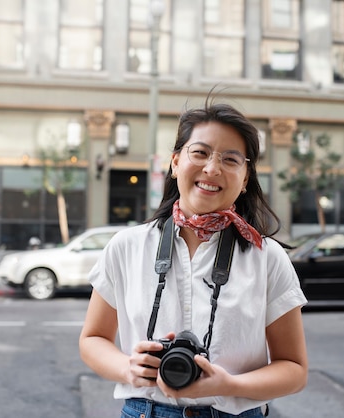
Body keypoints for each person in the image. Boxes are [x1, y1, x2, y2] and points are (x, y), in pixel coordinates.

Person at [79, 96, 308, 418]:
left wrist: (228, 384)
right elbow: (93, 338)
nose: (212, 168)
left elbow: (294, 369)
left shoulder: (266, 257)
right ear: (175, 163)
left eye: (230, 160)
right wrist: (129, 368)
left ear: (245, 178)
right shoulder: (126, 246)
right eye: (199, 153)